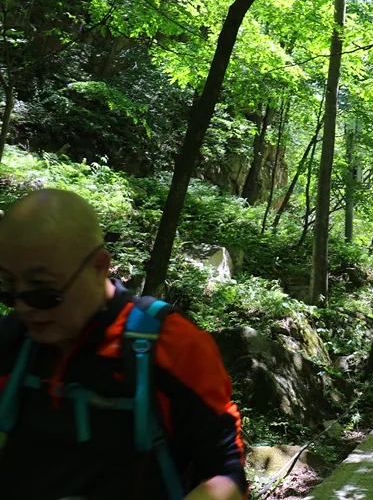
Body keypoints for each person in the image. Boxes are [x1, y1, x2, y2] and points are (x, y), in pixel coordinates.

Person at [0, 189, 247, 500]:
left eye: (43, 290)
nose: (22, 306)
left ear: (99, 266)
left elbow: (225, 473)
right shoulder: (12, 340)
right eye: (8, 288)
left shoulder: (171, 346)